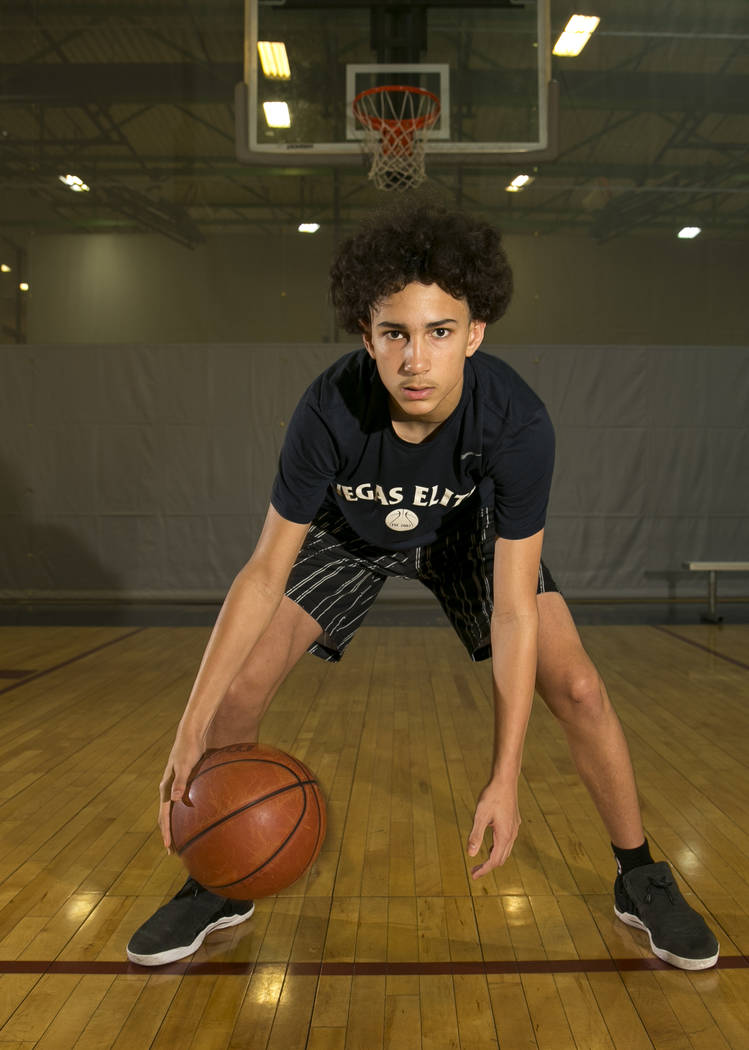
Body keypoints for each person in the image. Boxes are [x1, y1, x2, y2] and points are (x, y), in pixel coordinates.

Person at [126, 199, 718, 971]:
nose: (416, 358)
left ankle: (639, 874)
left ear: (473, 333)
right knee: (237, 691)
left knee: (576, 686)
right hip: (351, 535)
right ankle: (220, 876)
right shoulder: (329, 408)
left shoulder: (515, 421)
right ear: (366, 336)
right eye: (395, 333)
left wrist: (504, 779)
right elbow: (264, 571)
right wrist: (188, 731)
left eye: (439, 332)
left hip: (469, 539)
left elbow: (512, 610)